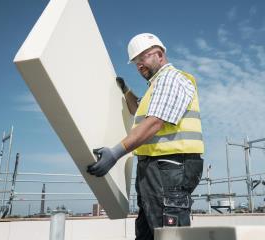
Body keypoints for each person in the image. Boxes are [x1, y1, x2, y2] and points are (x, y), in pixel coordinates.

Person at [87, 33, 204, 240]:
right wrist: (125, 90)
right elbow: (138, 109)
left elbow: (154, 122)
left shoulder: (171, 78)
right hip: (158, 168)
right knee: (148, 232)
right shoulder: (156, 86)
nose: (139, 65)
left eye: (143, 58)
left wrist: (115, 153)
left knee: (167, 234)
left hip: (170, 167)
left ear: (159, 54)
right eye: (136, 62)